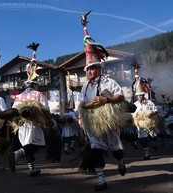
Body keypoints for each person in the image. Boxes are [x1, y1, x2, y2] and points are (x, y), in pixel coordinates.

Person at [77, 12, 127, 191]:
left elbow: (120, 97)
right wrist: (81, 118)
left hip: (108, 119)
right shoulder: (84, 87)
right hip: (92, 122)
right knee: (96, 148)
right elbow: (81, 104)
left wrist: (106, 99)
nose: (89, 72)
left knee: (115, 147)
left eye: (92, 69)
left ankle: (120, 161)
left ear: (98, 68)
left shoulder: (109, 82)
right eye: (88, 70)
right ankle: (100, 179)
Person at [8, 42, 51, 177]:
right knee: (36, 145)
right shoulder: (38, 94)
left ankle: (32, 169)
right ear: (35, 85)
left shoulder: (19, 96)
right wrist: (49, 121)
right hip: (34, 124)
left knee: (27, 146)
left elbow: (14, 111)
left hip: (21, 126)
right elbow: (46, 109)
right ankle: (16, 155)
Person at [133, 91, 159, 160]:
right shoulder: (135, 104)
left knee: (153, 136)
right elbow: (133, 114)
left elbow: (156, 110)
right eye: (138, 96)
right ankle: (146, 154)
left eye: (141, 95)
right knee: (143, 139)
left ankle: (154, 142)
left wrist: (151, 113)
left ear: (143, 95)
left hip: (149, 123)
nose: (139, 97)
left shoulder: (149, 102)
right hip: (141, 124)